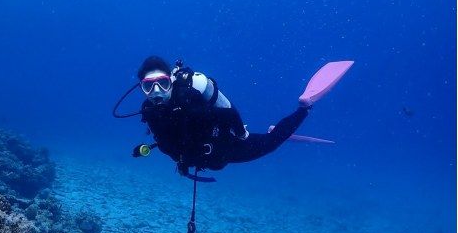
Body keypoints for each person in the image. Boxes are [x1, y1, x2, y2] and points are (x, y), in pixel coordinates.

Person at [130, 56, 348, 175]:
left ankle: (305, 106)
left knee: (270, 143)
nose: (156, 91)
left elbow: (229, 112)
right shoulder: (150, 112)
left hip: (228, 147)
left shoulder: (190, 95)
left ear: (171, 81)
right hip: (205, 158)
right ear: (141, 88)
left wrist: (242, 134)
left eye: (163, 83)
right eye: (149, 87)